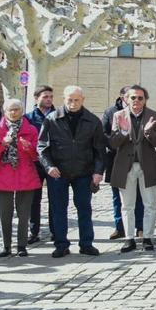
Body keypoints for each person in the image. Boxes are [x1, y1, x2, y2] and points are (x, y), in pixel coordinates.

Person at [37, 85, 106, 258]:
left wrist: (98, 172)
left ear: (83, 100)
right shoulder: (52, 119)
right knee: (58, 209)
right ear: (64, 99)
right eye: (69, 100)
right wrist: (49, 166)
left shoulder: (93, 121)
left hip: (84, 172)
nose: (73, 103)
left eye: (76, 100)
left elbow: (100, 150)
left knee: (84, 208)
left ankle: (86, 243)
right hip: (58, 172)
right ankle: (61, 244)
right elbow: (42, 147)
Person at [108, 85, 156, 252]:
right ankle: (129, 238)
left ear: (145, 99)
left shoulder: (153, 115)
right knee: (127, 205)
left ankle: (147, 237)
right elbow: (113, 143)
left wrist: (148, 133)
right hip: (125, 166)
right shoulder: (118, 116)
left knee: (150, 204)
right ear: (126, 99)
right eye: (133, 97)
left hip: (147, 165)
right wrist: (124, 132)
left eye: (140, 98)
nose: (137, 101)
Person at [0, 99, 42, 257]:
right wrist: (2, 143)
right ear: (4, 112)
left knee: (24, 213)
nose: (13, 112)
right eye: (10, 110)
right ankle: (6, 246)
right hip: (3, 176)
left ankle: (22, 246)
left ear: (22, 111)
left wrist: (29, 147)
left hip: (25, 175)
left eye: (16, 109)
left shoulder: (30, 129)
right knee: (5, 214)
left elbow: (37, 155)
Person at [101, 87, 142, 240]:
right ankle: (120, 227)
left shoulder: (142, 111)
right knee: (118, 197)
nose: (134, 100)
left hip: (137, 160)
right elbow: (104, 134)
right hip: (116, 159)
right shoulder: (111, 112)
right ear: (122, 97)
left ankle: (140, 227)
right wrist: (117, 141)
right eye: (129, 96)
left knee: (138, 196)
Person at [23, 85, 55, 245]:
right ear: (37, 99)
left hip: (54, 162)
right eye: (45, 97)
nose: (49, 99)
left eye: (50, 97)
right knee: (34, 199)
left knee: (55, 198)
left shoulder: (58, 115)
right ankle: (33, 231)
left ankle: (55, 230)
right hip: (34, 163)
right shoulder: (27, 118)